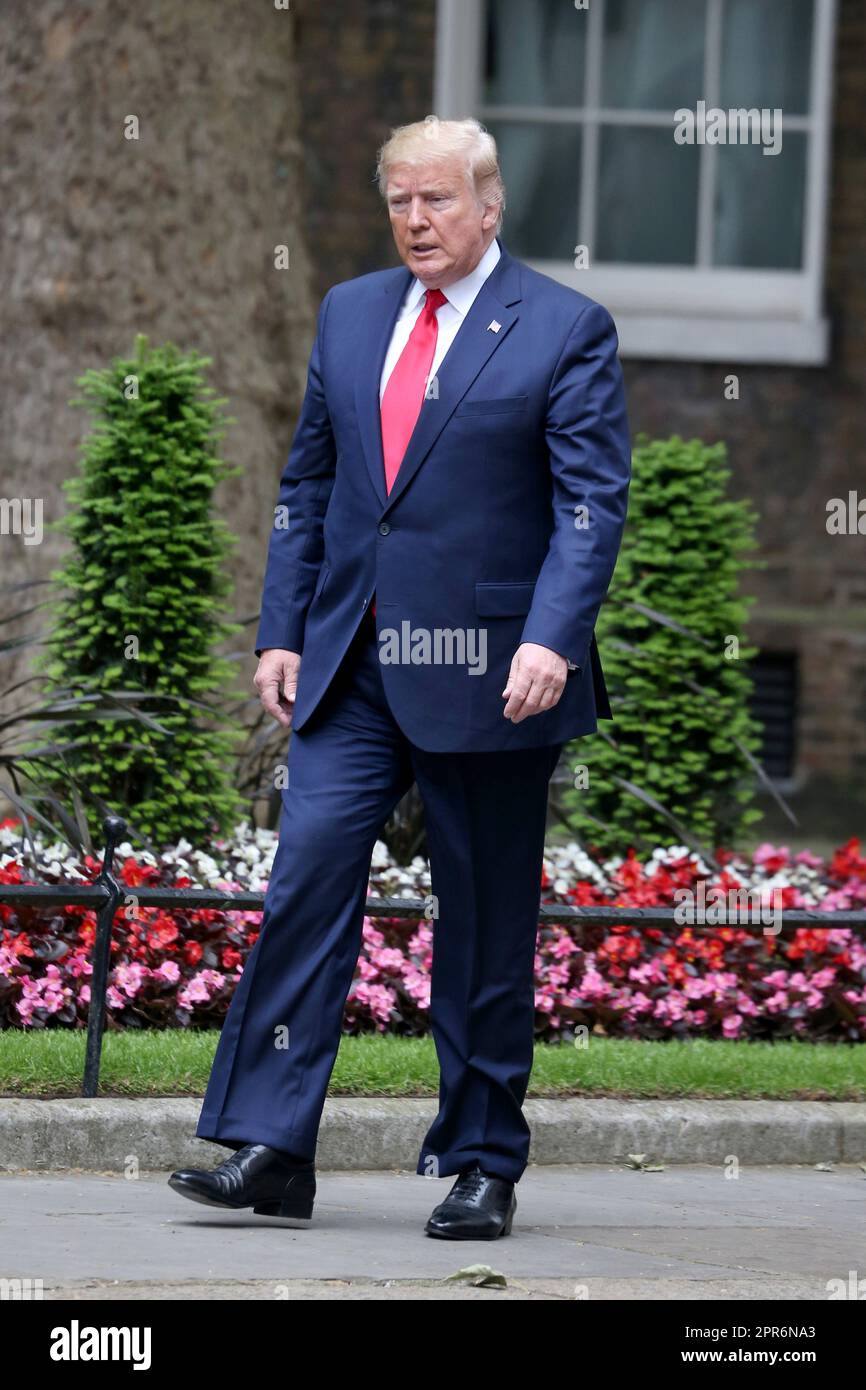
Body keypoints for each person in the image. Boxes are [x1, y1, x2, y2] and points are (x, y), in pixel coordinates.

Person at [169, 116, 630, 1239]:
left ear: (489, 206)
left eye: (435, 201)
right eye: (397, 201)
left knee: (480, 919)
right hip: (352, 663)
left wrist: (548, 636)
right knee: (306, 885)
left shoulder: (564, 328)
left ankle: (481, 1160)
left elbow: (589, 504)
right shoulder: (350, 311)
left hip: (491, 669)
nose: (415, 221)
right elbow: (312, 478)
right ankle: (272, 1147)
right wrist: (283, 626)